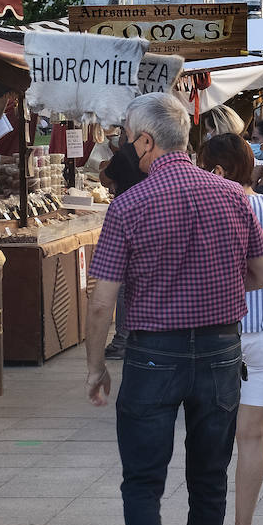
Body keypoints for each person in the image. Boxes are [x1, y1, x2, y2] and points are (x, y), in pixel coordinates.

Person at [84, 92, 263, 525]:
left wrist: (96, 364)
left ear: (146, 142)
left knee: (142, 483)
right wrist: (218, 286)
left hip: (151, 355)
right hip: (219, 350)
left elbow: (101, 301)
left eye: (128, 138)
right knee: (209, 481)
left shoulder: (129, 205)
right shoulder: (232, 196)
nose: (126, 147)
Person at [199, 133, 263, 525]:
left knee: (211, 433)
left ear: (216, 168)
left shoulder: (207, 205)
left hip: (219, 329)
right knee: (252, 434)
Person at [99, 129, 149, 361]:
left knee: (122, 285)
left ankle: (122, 340)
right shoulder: (153, 152)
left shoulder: (125, 154)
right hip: (151, 220)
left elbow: (104, 178)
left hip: (128, 220)